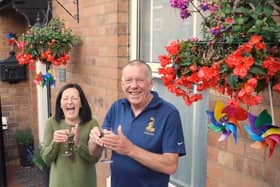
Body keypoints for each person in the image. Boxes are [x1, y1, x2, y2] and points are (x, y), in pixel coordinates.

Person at [88, 60, 186, 187]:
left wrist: (130, 150)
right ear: (122, 85)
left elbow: (171, 166)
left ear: (151, 84)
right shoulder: (117, 107)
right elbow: (93, 152)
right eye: (128, 80)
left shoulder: (169, 113)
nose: (134, 86)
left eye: (140, 80)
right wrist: (95, 140)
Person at [41, 83, 101, 187]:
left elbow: (94, 159)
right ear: (60, 104)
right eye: (65, 99)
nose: (69, 102)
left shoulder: (91, 123)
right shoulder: (51, 123)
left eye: (74, 98)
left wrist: (78, 144)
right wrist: (54, 143)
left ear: (81, 103)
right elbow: (46, 159)